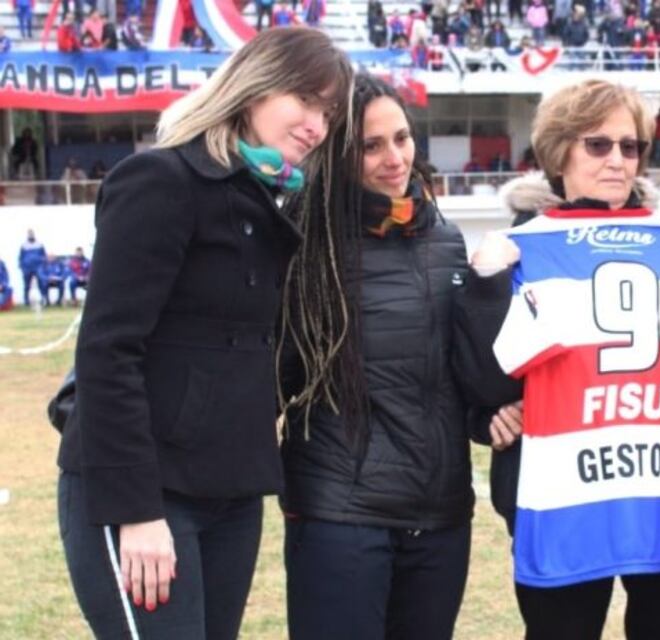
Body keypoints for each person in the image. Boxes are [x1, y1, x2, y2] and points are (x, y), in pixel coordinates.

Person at [57, 28, 352, 640]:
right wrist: (137, 512)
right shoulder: (160, 181)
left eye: (329, 112)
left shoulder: (268, 202)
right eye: (306, 99)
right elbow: (109, 351)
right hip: (143, 494)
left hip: (231, 491)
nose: (317, 125)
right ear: (254, 88)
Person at [453, 79, 660, 640]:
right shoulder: (520, 250)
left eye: (631, 146)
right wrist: (486, 284)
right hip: (565, 492)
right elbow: (481, 382)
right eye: (597, 144)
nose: (618, 160)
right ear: (558, 152)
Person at [278, 73, 473, 640]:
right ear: (337, 155)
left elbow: (466, 367)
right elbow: (266, 367)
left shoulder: (446, 238)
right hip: (341, 514)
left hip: (440, 515)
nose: (395, 158)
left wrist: (497, 408)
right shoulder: (303, 241)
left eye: (402, 138)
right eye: (371, 145)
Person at [18, 228, 46, 306]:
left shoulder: (39, 244)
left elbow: (43, 255)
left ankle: (43, 299)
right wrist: (22, 267)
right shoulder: (24, 246)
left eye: (32, 234)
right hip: (27, 268)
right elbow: (20, 257)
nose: (31, 235)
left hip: (38, 267)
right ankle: (26, 301)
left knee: (41, 283)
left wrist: (42, 265)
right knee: (27, 285)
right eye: (29, 234)